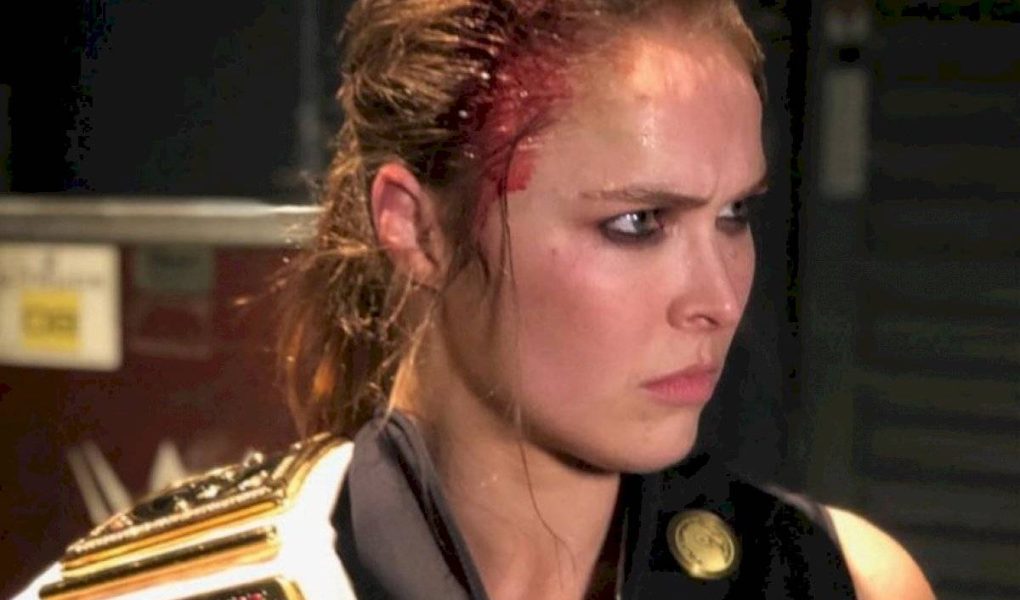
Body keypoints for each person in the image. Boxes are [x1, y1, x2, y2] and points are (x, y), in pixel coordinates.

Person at [18, 1, 935, 598]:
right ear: (416, 228)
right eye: (638, 222)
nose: (718, 298)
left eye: (734, 215)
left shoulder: (840, 582)